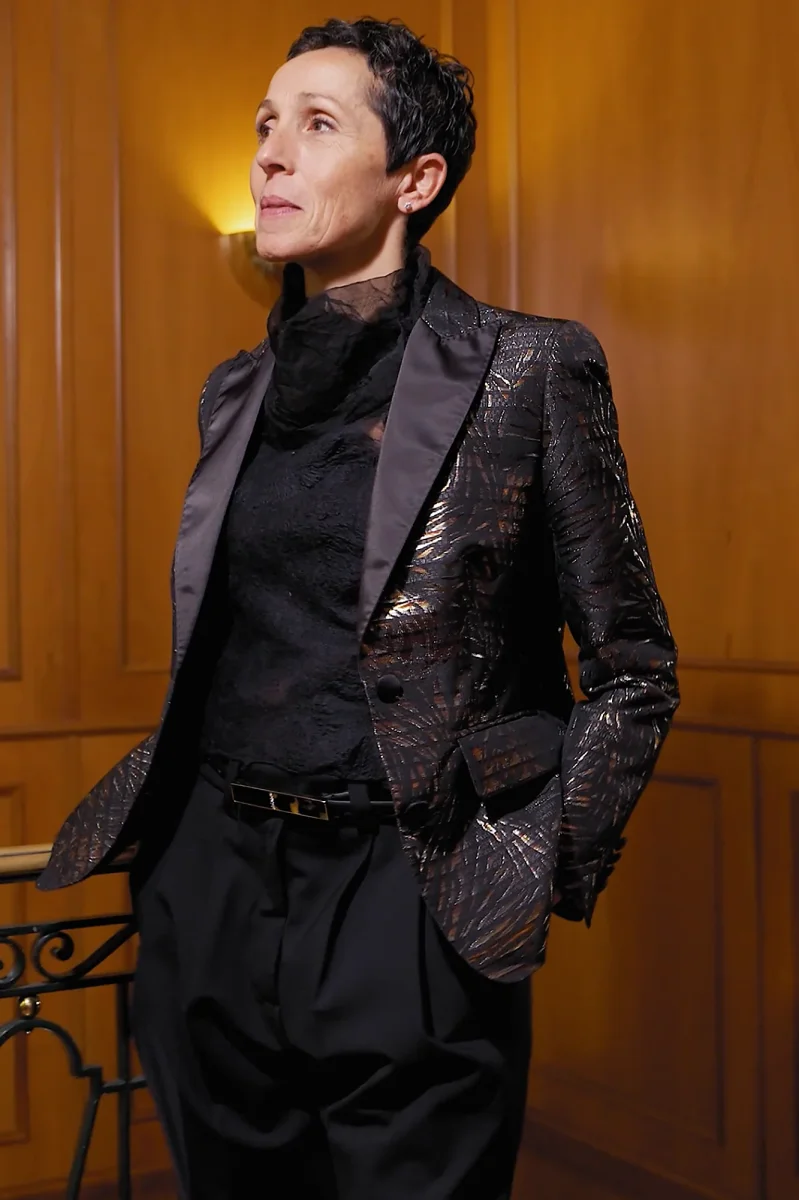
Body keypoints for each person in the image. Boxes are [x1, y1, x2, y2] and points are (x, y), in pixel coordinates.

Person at [38, 16, 679, 1200]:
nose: (269, 155)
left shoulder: (529, 368)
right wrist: (183, 876)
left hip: (407, 888)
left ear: (414, 181)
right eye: (264, 125)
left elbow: (634, 665)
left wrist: (529, 864)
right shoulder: (233, 389)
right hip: (212, 877)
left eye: (317, 124)